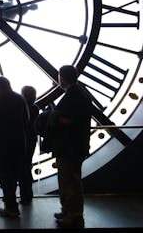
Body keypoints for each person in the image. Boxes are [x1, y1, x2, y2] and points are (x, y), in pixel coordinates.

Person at [50, 65, 93, 228]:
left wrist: (54, 117)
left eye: (60, 76)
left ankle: (72, 214)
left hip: (69, 146)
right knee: (72, 180)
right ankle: (71, 212)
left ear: (63, 77)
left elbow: (68, 120)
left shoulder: (73, 95)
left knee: (69, 181)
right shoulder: (80, 94)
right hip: (75, 145)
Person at [0, 76, 29, 218]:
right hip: (18, 142)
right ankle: (13, 206)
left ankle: (10, 206)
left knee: (4, 175)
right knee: (15, 174)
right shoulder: (19, 98)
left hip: (0, 142)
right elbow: (26, 119)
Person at [18, 85, 40, 205]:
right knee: (26, 167)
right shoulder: (35, 108)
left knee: (22, 168)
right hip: (31, 140)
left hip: (23, 140)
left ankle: (25, 195)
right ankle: (28, 194)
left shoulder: (21, 108)